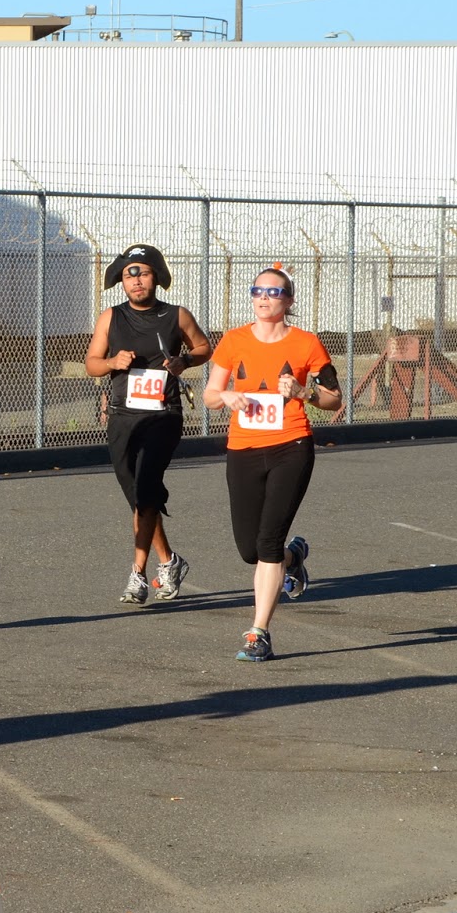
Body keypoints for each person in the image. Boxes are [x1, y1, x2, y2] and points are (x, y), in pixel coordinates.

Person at [203, 265, 341, 662]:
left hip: (291, 447)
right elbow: (211, 393)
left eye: (274, 292)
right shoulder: (234, 340)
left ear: (289, 300)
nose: (264, 297)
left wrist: (304, 391)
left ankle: (258, 632)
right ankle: (293, 557)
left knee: (266, 542)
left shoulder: (306, 344)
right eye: (258, 290)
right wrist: (227, 396)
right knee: (251, 549)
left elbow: (335, 398)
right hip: (243, 448)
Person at [84, 244, 211, 604]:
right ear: (121, 282)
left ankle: (138, 574)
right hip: (123, 416)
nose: (136, 281)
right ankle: (169, 561)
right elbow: (91, 362)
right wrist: (112, 362)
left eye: (143, 272)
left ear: (156, 276)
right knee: (141, 498)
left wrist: (183, 361)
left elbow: (205, 348)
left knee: (145, 488)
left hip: (163, 415)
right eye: (129, 275)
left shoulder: (176, 315)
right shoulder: (111, 317)